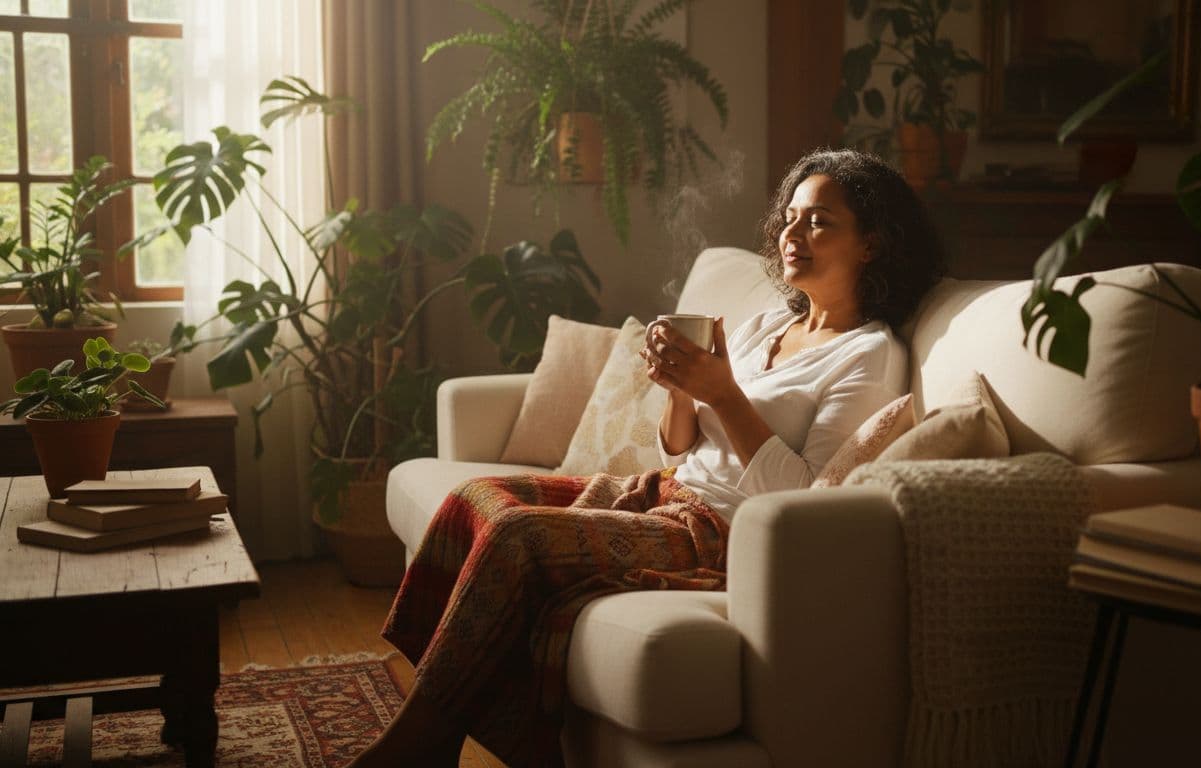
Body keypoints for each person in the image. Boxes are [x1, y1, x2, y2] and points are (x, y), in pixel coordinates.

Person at [347, 148, 946, 767]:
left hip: (719, 531)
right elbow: (681, 445)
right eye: (791, 217)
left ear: (872, 243)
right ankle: (437, 732)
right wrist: (680, 388)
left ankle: (417, 744)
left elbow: (801, 498)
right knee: (473, 499)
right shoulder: (767, 325)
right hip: (664, 491)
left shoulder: (868, 355)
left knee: (519, 535)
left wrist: (723, 392)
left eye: (819, 221)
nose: (793, 234)